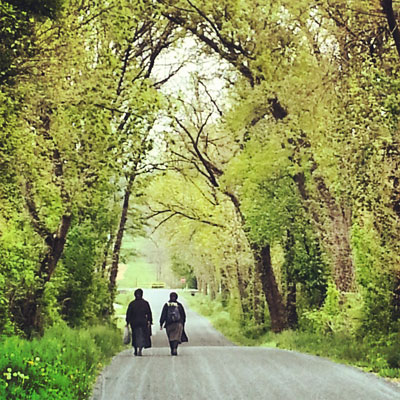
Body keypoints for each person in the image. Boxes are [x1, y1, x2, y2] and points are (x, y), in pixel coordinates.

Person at [126, 288, 152, 356]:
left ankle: (135, 349)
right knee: (143, 335)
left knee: (134, 335)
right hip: (143, 322)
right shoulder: (145, 303)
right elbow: (149, 313)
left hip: (134, 322)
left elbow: (128, 313)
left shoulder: (132, 304)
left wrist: (127, 322)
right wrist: (150, 321)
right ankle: (140, 349)